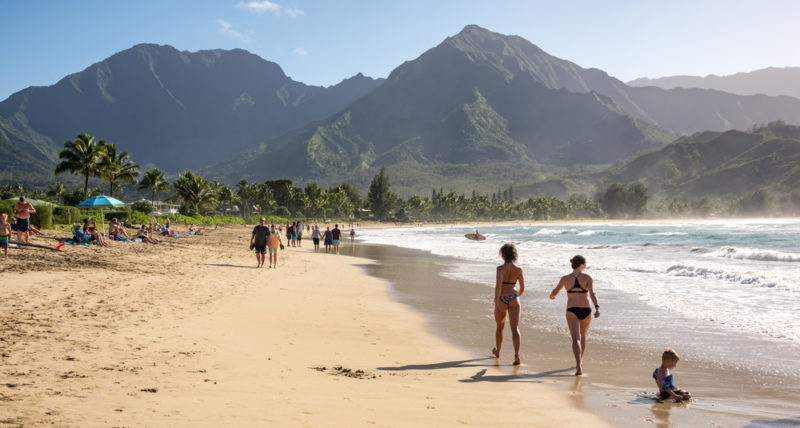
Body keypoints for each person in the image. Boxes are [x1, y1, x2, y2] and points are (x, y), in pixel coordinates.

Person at [550, 255, 600, 375]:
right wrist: (597, 307)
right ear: (581, 265)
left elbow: (555, 291)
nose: (586, 266)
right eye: (585, 264)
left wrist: (552, 295)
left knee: (576, 338)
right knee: (583, 336)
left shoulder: (565, 278)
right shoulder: (588, 278)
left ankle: (578, 365)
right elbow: (592, 294)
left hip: (572, 310)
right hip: (586, 309)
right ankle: (580, 362)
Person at [492, 243, 525, 366]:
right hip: (513, 298)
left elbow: (498, 286)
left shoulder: (500, 269)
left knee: (500, 326)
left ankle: (498, 352)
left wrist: (496, 302)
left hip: (502, 299)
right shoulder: (519, 270)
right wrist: (516, 296)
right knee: (515, 328)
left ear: (503, 254)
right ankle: (517, 355)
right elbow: (522, 288)